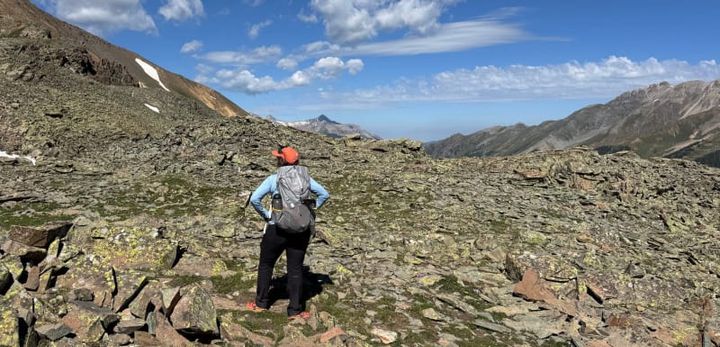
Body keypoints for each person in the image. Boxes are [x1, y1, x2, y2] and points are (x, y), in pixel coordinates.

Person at [246, 145, 330, 320]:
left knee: (266, 265)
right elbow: (324, 194)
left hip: (276, 227)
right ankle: (295, 310)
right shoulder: (306, 179)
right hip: (300, 230)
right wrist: (310, 212)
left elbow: (255, 199)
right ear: (297, 161)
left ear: (280, 160)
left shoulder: (274, 179)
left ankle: (261, 303)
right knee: (295, 269)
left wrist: (268, 215)